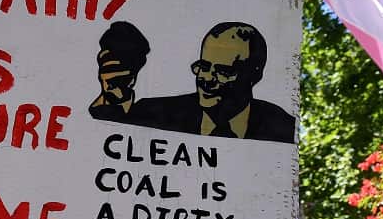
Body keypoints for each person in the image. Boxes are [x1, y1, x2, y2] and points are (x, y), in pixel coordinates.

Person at [127, 22, 296, 142]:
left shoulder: (283, 130)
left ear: (254, 75)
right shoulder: (149, 115)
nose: (207, 78)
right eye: (204, 66)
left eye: (223, 71)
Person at [88, 21, 151, 122]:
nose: (109, 86)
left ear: (132, 80)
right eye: (105, 78)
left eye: (118, 80)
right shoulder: (95, 113)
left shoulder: (148, 112)